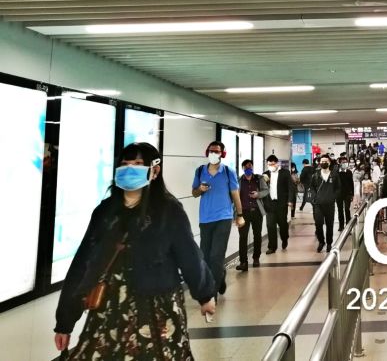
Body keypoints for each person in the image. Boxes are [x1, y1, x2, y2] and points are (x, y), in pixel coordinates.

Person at [55, 142, 215, 360]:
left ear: (155, 171)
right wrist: (65, 321)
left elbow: (189, 256)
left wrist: (205, 295)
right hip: (109, 309)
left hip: (157, 307)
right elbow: (83, 263)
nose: (130, 169)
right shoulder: (105, 212)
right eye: (125, 163)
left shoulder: (168, 210)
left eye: (138, 164)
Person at [192, 141, 245, 299]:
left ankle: (211, 292)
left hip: (223, 217)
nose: (213, 154)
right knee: (205, 256)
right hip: (205, 218)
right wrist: (200, 189)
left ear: (222, 154)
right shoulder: (200, 171)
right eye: (211, 151)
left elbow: (235, 194)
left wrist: (240, 215)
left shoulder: (228, 172)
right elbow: (194, 193)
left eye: (217, 151)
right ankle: (220, 276)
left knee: (216, 255)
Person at [236, 160, 264, 272]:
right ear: (243, 168)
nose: (249, 169)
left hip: (257, 212)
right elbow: (234, 196)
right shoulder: (238, 180)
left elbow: (266, 191)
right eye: (246, 167)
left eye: (250, 167)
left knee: (257, 235)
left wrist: (258, 194)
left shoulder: (258, 179)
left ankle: (256, 258)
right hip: (243, 213)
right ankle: (243, 262)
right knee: (243, 237)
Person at [263, 155, 294, 254]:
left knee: (282, 224)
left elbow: (290, 187)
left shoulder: (285, 173)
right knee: (270, 225)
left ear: (277, 163)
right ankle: (272, 247)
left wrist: (290, 200)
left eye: (273, 164)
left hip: (281, 203)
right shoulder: (265, 174)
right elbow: (263, 188)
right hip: (270, 203)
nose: (271, 166)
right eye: (269, 164)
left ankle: (284, 238)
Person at [310, 155, 340, 253]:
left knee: (329, 224)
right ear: (320, 163)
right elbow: (312, 187)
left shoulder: (334, 175)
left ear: (329, 162)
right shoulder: (316, 175)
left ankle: (329, 243)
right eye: (322, 161)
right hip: (318, 204)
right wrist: (315, 197)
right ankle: (321, 242)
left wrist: (333, 197)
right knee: (318, 223)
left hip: (330, 204)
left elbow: (338, 188)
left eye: (325, 161)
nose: (323, 163)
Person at [336, 156, 354, 231]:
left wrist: (352, 194)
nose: (345, 163)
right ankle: (341, 226)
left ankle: (348, 226)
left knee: (347, 209)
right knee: (340, 210)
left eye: (346, 162)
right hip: (338, 194)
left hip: (347, 194)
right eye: (343, 162)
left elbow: (351, 183)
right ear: (340, 163)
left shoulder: (349, 172)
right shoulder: (336, 172)